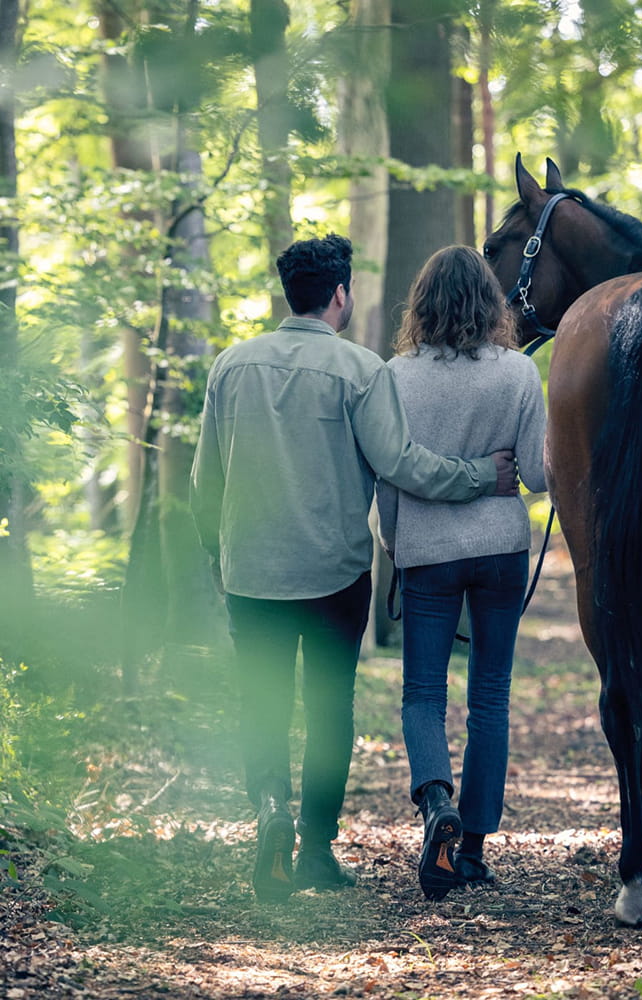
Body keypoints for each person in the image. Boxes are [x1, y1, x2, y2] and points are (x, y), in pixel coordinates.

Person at [189, 234, 518, 904]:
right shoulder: (360, 370)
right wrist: (480, 475)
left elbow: (205, 482)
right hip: (335, 573)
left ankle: (269, 810)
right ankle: (315, 851)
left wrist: (216, 554)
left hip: (251, 572)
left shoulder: (231, 367)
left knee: (263, 702)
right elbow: (403, 466)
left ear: (291, 294)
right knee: (329, 711)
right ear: (340, 294)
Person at [376, 245, 546, 900]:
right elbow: (535, 473)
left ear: (422, 304)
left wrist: (396, 543)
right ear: (489, 302)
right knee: (491, 696)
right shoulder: (518, 374)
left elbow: (390, 476)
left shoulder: (396, 375)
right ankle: (471, 846)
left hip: (427, 551)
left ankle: (437, 805)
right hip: (501, 547)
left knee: (422, 691)